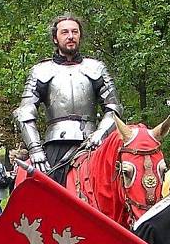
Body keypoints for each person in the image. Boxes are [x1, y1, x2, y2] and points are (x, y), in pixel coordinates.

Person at [12, 13, 123, 185]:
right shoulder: (40, 71)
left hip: (94, 143)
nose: (70, 36)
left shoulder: (96, 68)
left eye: (75, 32)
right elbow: (25, 112)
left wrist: (101, 133)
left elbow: (114, 108)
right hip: (56, 145)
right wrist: (35, 150)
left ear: (80, 35)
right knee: (48, 194)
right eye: (65, 32)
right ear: (55, 38)